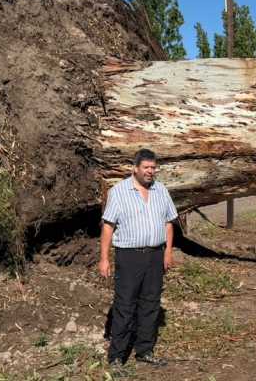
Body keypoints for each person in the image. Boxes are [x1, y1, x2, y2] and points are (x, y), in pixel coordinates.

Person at [99, 148, 177, 368]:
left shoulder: (161, 190)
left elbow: (168, 222)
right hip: (129, 256)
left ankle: (145, 350)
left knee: (150, 304)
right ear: (135, 168)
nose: (150, 172)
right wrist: (104, 258)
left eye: (153, 168)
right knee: (125, 305)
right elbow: (108, 226)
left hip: (155, 256)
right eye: (146, 167)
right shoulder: (119, 192)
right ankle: (116, 357)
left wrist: (168, 252)